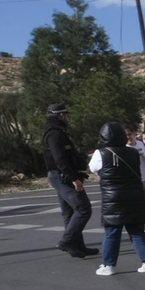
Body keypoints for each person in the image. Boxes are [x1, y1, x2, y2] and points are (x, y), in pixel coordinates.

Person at [87, 122, 145, 276]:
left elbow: (93, 168)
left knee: (112, 232)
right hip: (134, 195)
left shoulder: (101, 153)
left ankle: (108, 264)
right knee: (136, 230)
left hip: (113, 198)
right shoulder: (132, 152)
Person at [42, 104, 96, 258]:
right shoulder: (55, 134)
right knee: (83, 208)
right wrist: (74, 179)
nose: (67, 118)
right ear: (60, 116)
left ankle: (77, 246)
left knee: (69, 212)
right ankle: (66, 241)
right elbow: (59, 159)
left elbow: (66, 155)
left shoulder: (56, 132)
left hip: (59, 175)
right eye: (65, 115)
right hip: (62, 176)